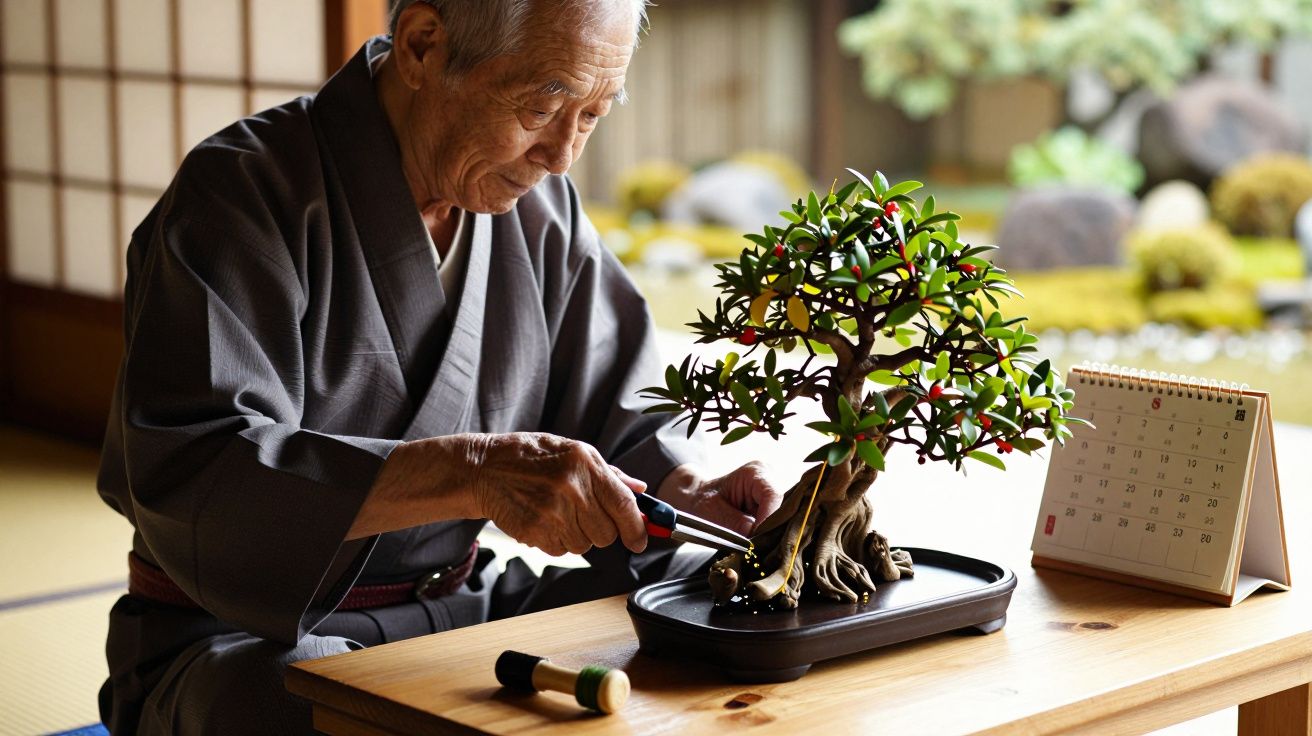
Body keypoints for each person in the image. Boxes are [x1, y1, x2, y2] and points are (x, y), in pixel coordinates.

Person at [95, 1, 781, 732]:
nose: (561, 156)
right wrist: (473, 473)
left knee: (720, 605)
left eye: (591, 115)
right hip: (245, 636)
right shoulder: (241, 194)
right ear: (423, 46)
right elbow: (200, 473)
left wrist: (686, 489)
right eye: (542, 106)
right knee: (320, 710)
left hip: (463, 610)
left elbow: (622, 411)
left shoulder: (544, 210)